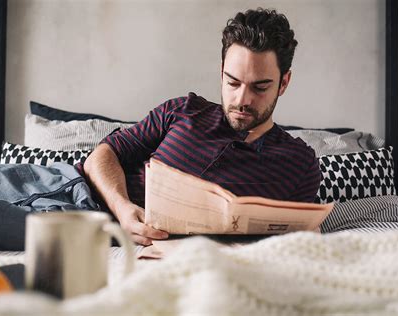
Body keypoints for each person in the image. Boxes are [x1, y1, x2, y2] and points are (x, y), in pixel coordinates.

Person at [83, 8, 322, 246]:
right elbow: (101, 156)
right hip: (74, 197)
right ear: (221, 72)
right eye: (233, 82)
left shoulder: (299, 163)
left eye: (259, 88)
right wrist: (123, 209)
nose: (242, 100)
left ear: (284, 83)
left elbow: (301, 238)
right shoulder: (184, 110)